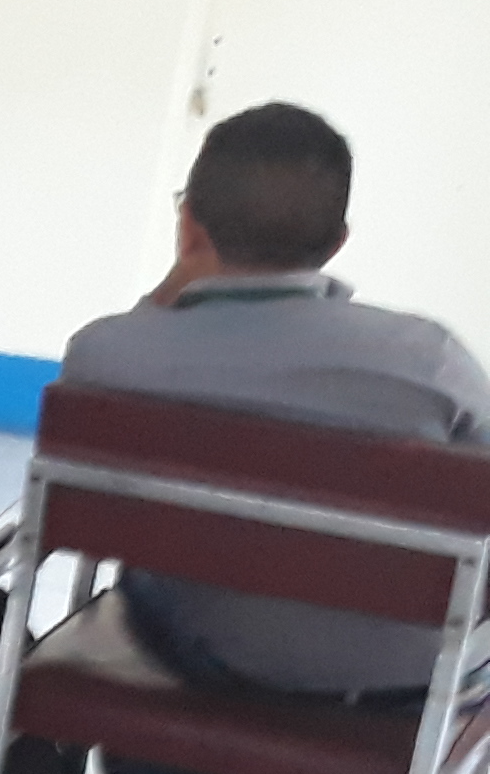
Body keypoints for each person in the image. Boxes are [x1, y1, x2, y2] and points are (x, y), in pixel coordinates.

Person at [64, 104, 490, 695]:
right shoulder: (430, 360)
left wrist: (172, 285)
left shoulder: (107, 355)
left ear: (189, 226)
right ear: (337, 242)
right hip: (409, 681)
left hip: (205, 653)